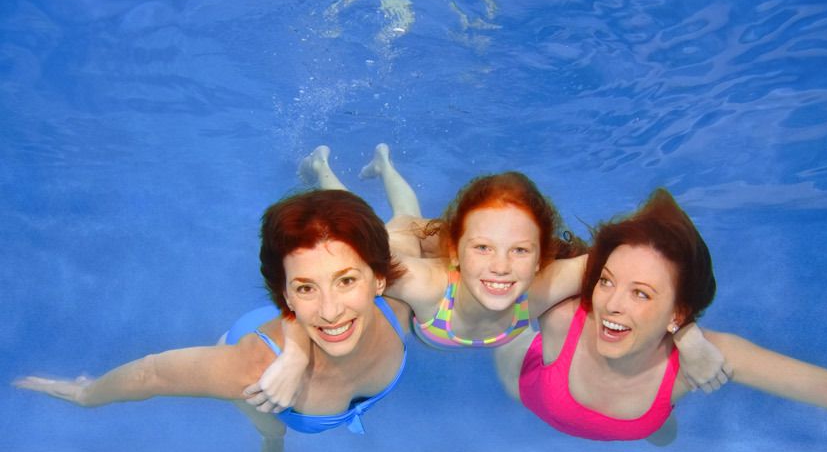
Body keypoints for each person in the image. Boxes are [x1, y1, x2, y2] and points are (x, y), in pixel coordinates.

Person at [246, 146, 730, 414]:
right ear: (458, 251)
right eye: (485, 250)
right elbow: (324, 283)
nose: (502, 269)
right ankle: (326, 167)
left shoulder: (548, 282)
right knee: (389, 222)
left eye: (521, 251)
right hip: (418, 256)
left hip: (451, 250)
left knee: (409, 215)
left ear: (541, 255)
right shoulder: (421, 283)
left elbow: (654, 248)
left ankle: (384, 162)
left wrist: (686, 334)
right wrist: (293, 353)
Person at [14, 190, 411, 452]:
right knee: (272, 424)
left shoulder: (404, 306)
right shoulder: (252, 368)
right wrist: (87, 395)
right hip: (256, 347)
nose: (330, 310)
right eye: (305, 287)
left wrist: (301, 351)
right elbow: (153, 374)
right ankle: (271, 441)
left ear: (379, 279)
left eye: (346, 281)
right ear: (285, 295)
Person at [501, 188, 827, 445]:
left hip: (643, 416)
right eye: (606, 281)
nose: (611, 304)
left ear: (677, 313)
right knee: (491, 328)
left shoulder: (702, 360)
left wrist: (686, 337)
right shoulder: (561, 315)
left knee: (658, 431)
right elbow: (481, 279)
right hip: (529, 384)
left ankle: (654, 421)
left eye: (641, 293)